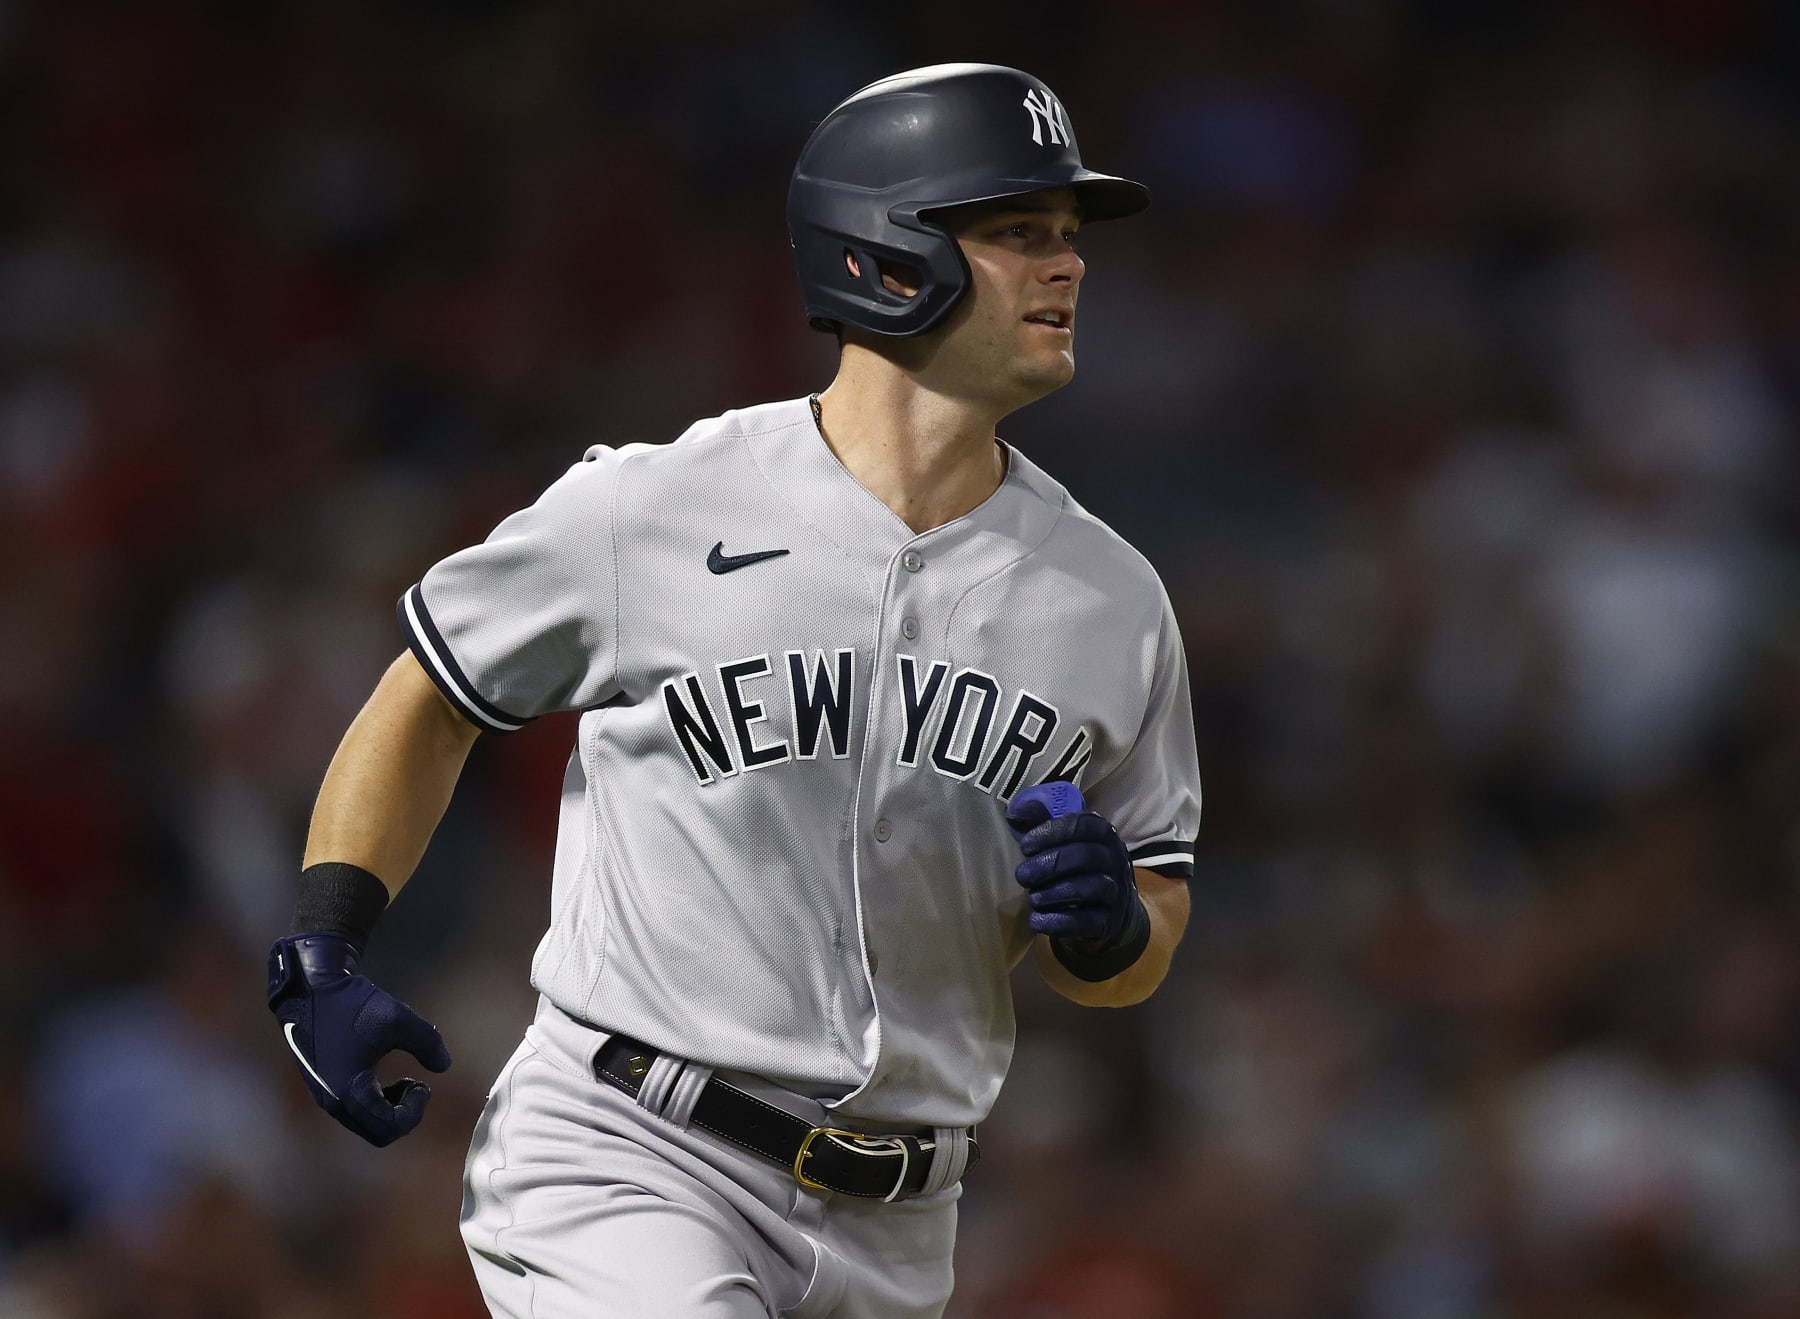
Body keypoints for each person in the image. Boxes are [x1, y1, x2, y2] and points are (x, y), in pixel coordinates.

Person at [267, 63, 1201, 1319]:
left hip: (905, 1225)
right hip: (629, 1154)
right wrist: (327, 935)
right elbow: (434, 688)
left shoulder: (1113, 598)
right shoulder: (657, 504)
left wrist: (1115, 930)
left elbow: (1153, 904)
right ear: (883, 249)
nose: (1067, 265)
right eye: (1017, 230)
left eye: (1070, 236)